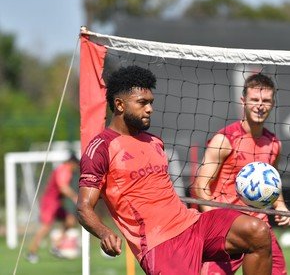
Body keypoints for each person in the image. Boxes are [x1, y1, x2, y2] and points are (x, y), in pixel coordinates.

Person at [77, 65, 272, 275]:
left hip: (193, 224)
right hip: (160, 244)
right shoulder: (101, 147)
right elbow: (83, 207)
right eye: (142, 103)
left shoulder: (154, 142)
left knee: (258, 233)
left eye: (151, 102)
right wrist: (104, 232)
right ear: (120, 105)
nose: (150, 109)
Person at [194, 73, 289, 274]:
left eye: (266, 101)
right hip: (229, 227)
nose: (260, 105)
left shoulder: (274, 143)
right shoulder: (225, 139)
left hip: (260, 228)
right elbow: (200, 185)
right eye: (254, 100)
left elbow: (272, 181)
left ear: (272, 104)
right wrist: (214, 222)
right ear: (243, 101)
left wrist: (280, 205)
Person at [26, 154, 79, 263]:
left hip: (56, 203)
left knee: (70, 220)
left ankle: (56, 246)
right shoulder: (64, 170)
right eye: (76, 166)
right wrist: (75, 197)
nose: (76, 168)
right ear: (72, 163)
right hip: (49, 202)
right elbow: (63, 187)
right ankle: (31, 253)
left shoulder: (64, 170)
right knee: (45, 227)